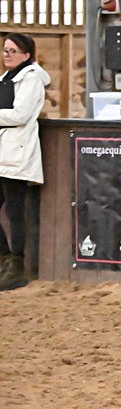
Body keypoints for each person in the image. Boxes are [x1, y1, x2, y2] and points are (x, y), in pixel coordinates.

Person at [0, 33, 51, 290]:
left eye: (12, 51)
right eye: (5, 50)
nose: (6, 54)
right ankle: (5, 260)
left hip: (16, 152)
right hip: (3, 152)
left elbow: (20, 114)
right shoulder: (6, 79)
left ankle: (17, 265)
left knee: (15, 210)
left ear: (26, 55)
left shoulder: (30, 79)